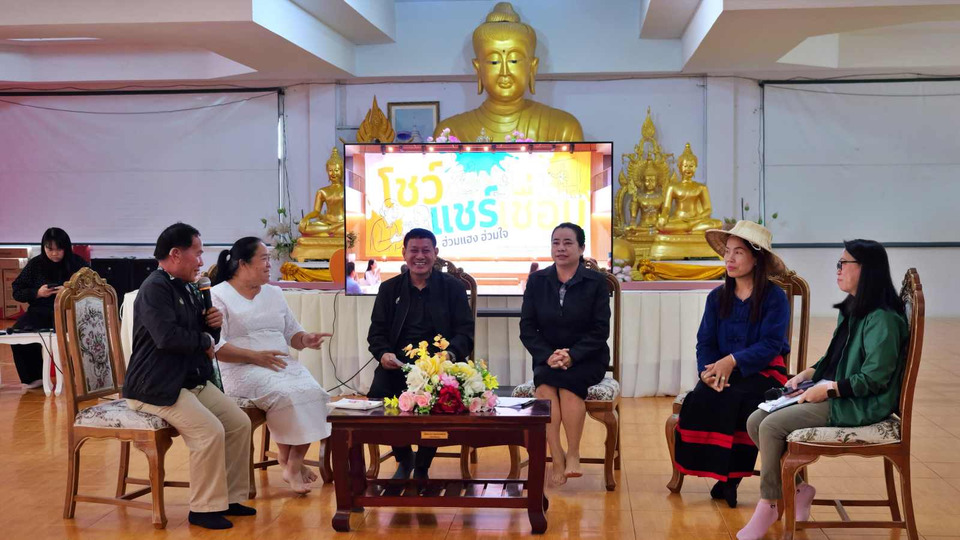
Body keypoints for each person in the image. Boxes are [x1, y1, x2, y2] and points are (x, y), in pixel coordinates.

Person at [738, 239, 908, 540]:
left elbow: (875, 379)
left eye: (844, 264)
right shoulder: (853, 308)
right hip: (840, 392)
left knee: (771, 426)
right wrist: (810, 373)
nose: (838, 270)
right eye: (838, 264)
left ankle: (770, 504)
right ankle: (799, 490)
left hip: (860, 403)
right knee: (755, 420)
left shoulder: (883, 318)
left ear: (866, 269)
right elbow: (835, 358)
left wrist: (828, 390)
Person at [123, 223, 254, 530]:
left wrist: (213, 325)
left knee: (238, 423)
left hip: (188, 379)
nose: (201, 261)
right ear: (176, 254)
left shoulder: (189, 287)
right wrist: (205, 339)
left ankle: (229, 498)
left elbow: (204, 338)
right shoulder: (154, 288)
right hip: (155, 384)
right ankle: (204, 509)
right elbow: (166, 338)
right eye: (197, 253)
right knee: (209, 431)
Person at [673, 221, 790, 508]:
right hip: (722, 370)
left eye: (738, 252)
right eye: (727, 252)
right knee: (703, 395)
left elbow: (770, 345)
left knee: (741, 398)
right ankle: (721, 474)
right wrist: (707, 371)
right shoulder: (717, 297)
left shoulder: (774, 297)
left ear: (756, 258)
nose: (729, 259)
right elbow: (705, 342)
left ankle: (731, 480)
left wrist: (733, 360)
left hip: (764, 371)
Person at [210, 237, 333, 495]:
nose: (270, 264)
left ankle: (291, 462)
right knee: (287, 394)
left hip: (279, 364)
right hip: (240, 368)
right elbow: (217, 348)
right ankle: (291, 465)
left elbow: (293, 334)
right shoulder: (218, 295)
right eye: (264, 259)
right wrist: (255, 357)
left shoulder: (274, 293)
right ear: (243, 264)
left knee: (317, 394)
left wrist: (306, 339)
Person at [366, 228, 475, 480]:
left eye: (426, 250)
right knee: (379, 397)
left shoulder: (452, 288)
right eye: (414, 250)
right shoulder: (389, 289)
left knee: (441, 398)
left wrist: (449, 355)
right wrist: (383, 354)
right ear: (404, 253)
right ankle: (405, 458)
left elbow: (465, 332)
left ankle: (423, 465)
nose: (420, 256)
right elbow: (376, 333)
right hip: (398, 364)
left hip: (439, 365)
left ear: (435, 253)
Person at [520, 223, 610, 486]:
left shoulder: (596, 282)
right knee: (545, 388)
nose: (560, 248)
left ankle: (573, 452)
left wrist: (573, 355)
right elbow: (527, 327)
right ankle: (556, 454)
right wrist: (548, 355)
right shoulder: (537, 281)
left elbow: (600, 329)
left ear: (581, 248)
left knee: (569, 387)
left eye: (568, 243)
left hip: (587, 357)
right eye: (556, 242)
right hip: (547, 357)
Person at [10, 227, 88, 388]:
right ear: (43, 247)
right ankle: (34, 378)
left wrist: (69, 291)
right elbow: (17, 291)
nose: (54, 253)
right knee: (19, 334)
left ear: (66, 248)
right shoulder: (35, 264)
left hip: (71, 311)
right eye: (49, 249)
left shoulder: (78, 263)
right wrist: (37, 293)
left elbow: (92, 288)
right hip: (40, 311)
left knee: (86, 334)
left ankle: (84, 375)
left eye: (59, 249)